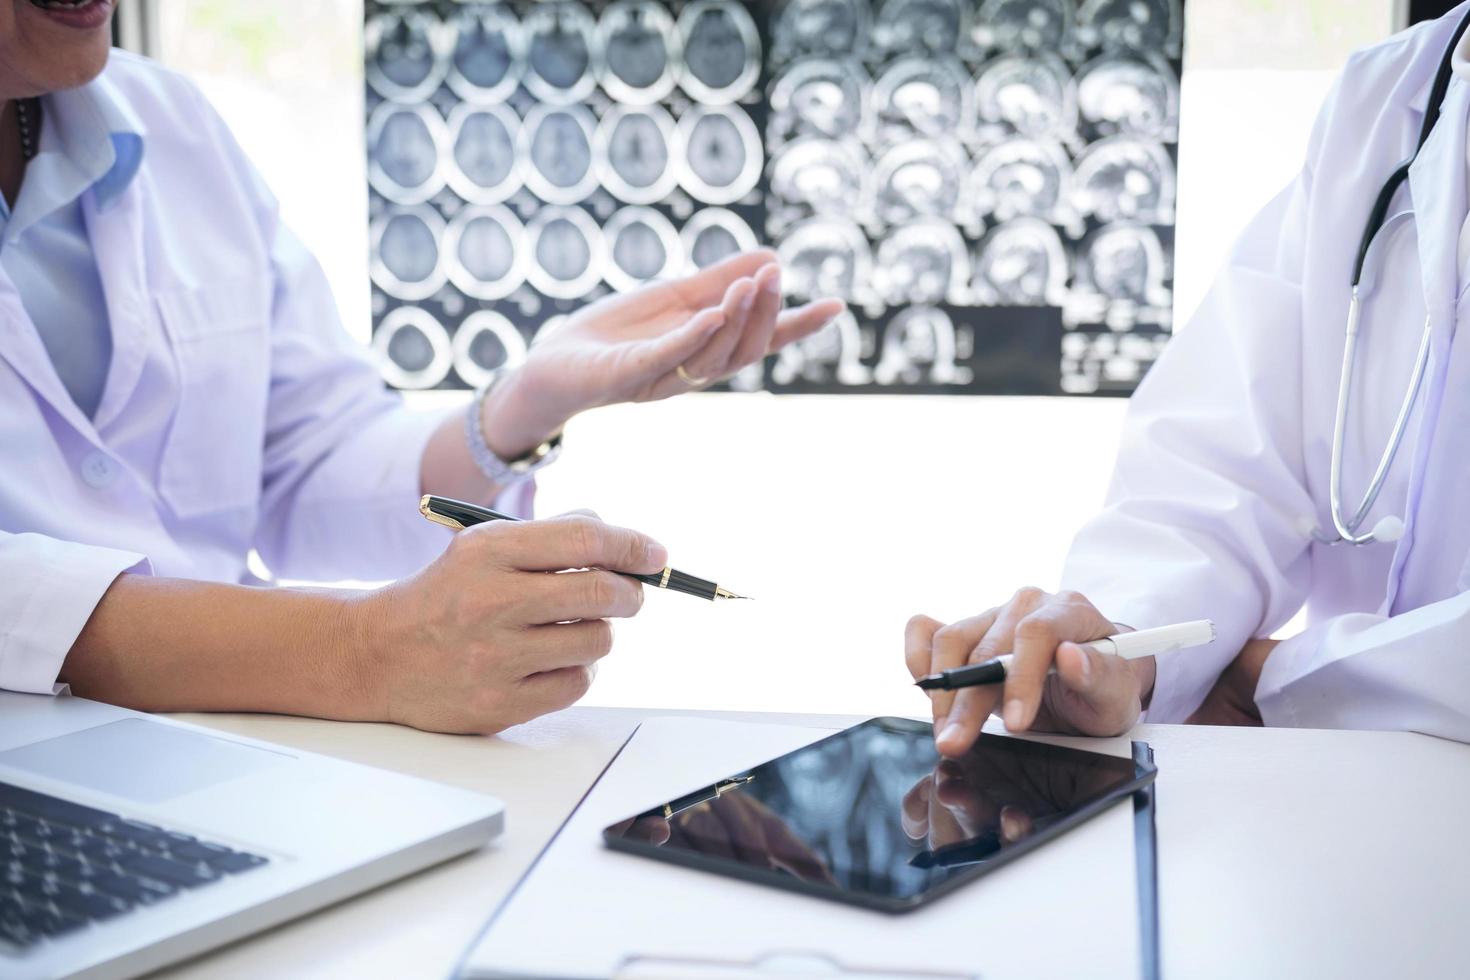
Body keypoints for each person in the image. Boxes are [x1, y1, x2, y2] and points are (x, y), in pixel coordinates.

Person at [0, 1, 843, 734]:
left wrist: (519, 407)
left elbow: (300, 465)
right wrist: (365, 650)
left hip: (220, 750)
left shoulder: (169, 123)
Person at [907, 4, 1470, 753]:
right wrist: (1117, 647)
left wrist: (1278, 682)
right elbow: (1219, 460)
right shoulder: (1392, 95)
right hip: (1345, 815)